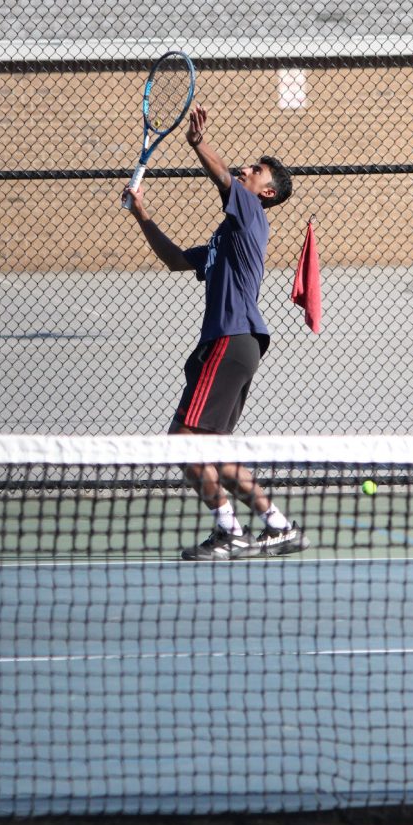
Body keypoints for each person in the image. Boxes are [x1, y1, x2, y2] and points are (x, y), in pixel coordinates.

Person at [122, 101, 309, 562]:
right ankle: (279, 526)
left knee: (182, 441)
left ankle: (229, 530)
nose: (248, 169)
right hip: (235, 344)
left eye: (257, 171)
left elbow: (223, 177)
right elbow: (174, 260)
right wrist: (140, 213)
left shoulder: (250, 215)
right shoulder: (226, 237)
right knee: (212, 449)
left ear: (264, 193)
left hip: (231, 338)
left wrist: (198, 143)